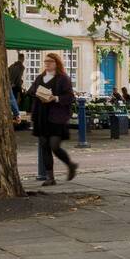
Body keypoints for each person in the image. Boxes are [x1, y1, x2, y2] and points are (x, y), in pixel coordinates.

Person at [26, 52, 78, 186]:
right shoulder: (40, 78)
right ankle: (50, 177)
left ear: (56, 63)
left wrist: (55, 98)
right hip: (41, 116)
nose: (47, 64)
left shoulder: (63, 78)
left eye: (50, 61)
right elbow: (30, 91)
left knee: (54, 145)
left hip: (57, 117)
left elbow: (70, 97)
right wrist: (39, 93)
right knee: (44, 146)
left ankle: (70, 165)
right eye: (46, 61)